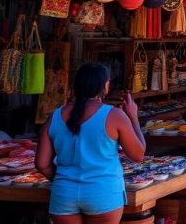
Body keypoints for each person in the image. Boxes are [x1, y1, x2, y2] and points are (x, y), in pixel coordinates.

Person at [35, 63, 146, 224]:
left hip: (64, 194)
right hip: (102, 193)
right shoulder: (114, 116)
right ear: (104, 86)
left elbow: (41, 164)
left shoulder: (56, 116)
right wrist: (133, 116)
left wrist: (64, 180)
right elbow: (138, 154)